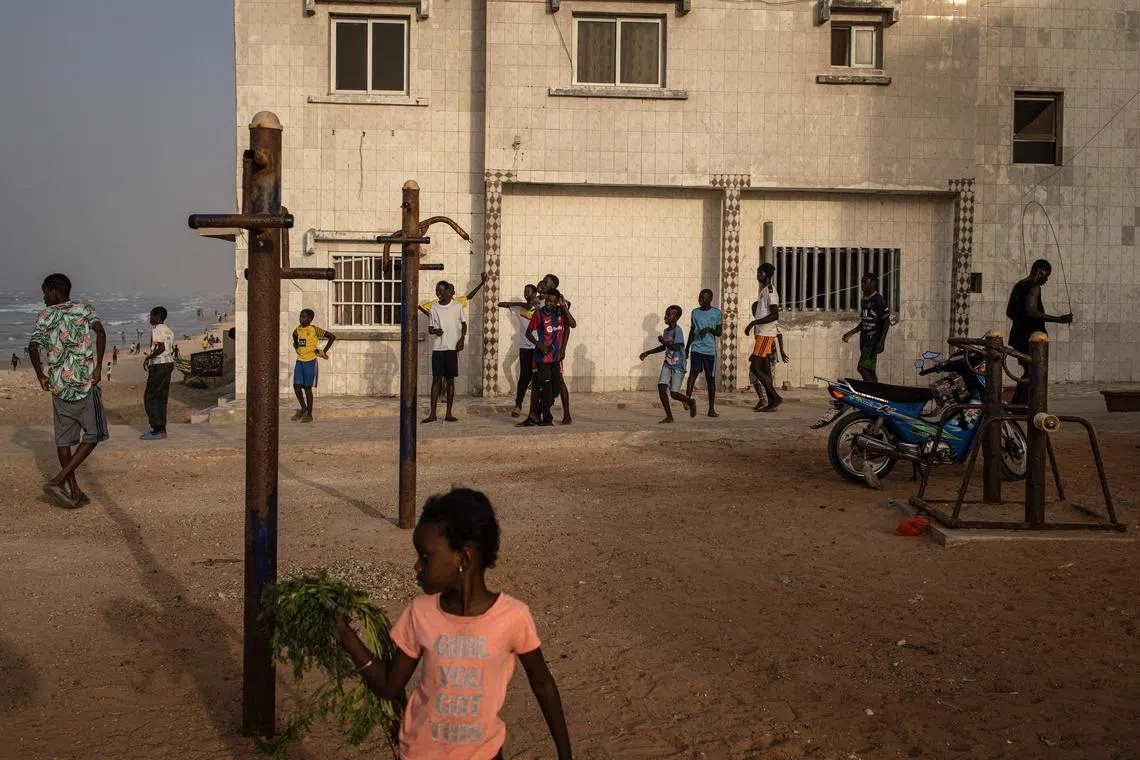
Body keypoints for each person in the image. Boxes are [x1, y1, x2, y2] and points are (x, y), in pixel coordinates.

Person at [336, 488, 573, 760]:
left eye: (425, 557)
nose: (416, 566)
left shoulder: (513, 617)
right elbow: (389, 686)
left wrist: (565, 755)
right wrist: (346, 635)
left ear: (463, 558)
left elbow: (543, 684)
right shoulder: (420, 613)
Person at [28, 273, 108, 509]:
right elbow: (100, 332)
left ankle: (74, 491)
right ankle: (60, 481)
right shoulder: (84, 309)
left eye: (45, 292)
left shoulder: (44, 316)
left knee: (64, 441)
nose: (43, 297)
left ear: (55, 291)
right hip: (84, 383)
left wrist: (41, 375)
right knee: (94, 435)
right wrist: (99, 366)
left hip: (59, 386)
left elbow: (33, 346)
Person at [1007, 259, 1072, 405]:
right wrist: (1058, 319)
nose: (1046, 279)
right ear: (1040, 271)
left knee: (1028, 371)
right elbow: (1032, 311)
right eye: (1047, 275)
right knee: (1032, 372)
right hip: (1031, 338)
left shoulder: (1019, 285)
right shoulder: (1034, 287)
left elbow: (1009, 312)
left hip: (1017, 336)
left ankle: (1017, 403)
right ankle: (1021, 405)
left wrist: (1020, 322)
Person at [420, 276, 484, 423]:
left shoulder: (456, 306)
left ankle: (448, 413)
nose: (438, 293)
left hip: (452, 348)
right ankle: (433, 414)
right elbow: (430, 328)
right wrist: (435, 331)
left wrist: (462, 339)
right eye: (437, 291)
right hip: (438, 348)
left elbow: (464, 324)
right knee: (436, 379)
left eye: (441, 290)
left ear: (449, 291)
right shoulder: (434, 307)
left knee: (450, 380)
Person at [522, 289, 576, 427]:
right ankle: (547, 418)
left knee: (556, 389)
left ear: (557, 301)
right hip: (543, 358)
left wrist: (564, 307)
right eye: (547, 301)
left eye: (552, 301)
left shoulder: (560, 313)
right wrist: (539, 345)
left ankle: (537, 412)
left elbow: (572, 324)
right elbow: (528, 333)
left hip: (556, 358)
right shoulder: (539, 314)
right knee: (546, 389)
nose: (548, 304)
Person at [640, 305, 696, 423]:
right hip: (668, 363)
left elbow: (676, 347)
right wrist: (648, 352)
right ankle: (669, 417)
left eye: (669, 314)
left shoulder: (677, 330)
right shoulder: (666, 331)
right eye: (666, 314)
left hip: (678, 365)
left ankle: (690, 402)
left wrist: (663, 341)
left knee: (674, 394)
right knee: (661, 387)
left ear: (676, 317)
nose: (666, 317)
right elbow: (664, 346)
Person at [497, 284, 540, 418]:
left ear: (535, 293)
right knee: (524, 376)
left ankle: (536, 409)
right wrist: (521, 303)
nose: (526, 294)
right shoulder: (519, 308)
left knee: (538, 378)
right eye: (524, 291)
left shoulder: (541, 308)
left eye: (528, 292)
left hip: (538, 347)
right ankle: (518, 405)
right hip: (525, 347)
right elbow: (500, 304)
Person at [744, 263, 783, 412]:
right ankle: (772, 400)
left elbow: (774, 315)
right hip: (763, 333)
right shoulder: (765, 291)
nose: (757, 276)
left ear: (765, 274)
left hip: (766, 334)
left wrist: (754, 322)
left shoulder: (770, 292)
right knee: (764, 368)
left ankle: (775, 397)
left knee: (755, 366)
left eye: (759, 273)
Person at [842, 272, 891, 383]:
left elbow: (886, 321)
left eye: (865, 282)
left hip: (873, 341)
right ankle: (877, 394)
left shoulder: (878, 299)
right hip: (864, 340)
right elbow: (865, 321)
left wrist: (881, 341)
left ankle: (870, 392)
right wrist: (851, 332)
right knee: (870, 369)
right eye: (862, 282)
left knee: (862, 368)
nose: (862, 284)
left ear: (873, 283)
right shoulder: (863, 300)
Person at [291, 308, 336, 423]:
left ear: (310, 319)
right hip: (299, 361)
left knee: (307, 388)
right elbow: (294, 335)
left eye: (304, 317)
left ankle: (309, 414)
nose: (301, 318)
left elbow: (332, 337)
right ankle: (303, 408)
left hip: (310, 362)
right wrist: (296, 346)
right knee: (296, 386)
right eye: (300, 316)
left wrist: (323, 351)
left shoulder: (314, 330)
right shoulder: (298, 329)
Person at [684, 289, 723, 417]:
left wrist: (708, 329)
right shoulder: (695, 312)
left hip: (710, 351)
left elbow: (719, 332)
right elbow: (692, 330)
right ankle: (687, 399)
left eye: (703, 298)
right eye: (699, 297)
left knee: (710, 379)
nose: (700, 300)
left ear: (710, 299)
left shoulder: (717, 313)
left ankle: (711, 409)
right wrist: (687, 348)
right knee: (694, 371)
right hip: (696, 348)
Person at [141, 306, 175, 440]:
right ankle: (162, 428)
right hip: (168, 363)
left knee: (150, 397)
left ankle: (157, 428)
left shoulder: (157, 329)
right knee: (161, 397)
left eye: (151, 316)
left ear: (157, 317)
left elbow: (161, 348)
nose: (150, 319)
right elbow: (168, 348)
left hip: (159, 365)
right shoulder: (169, 330)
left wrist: (149, 357)